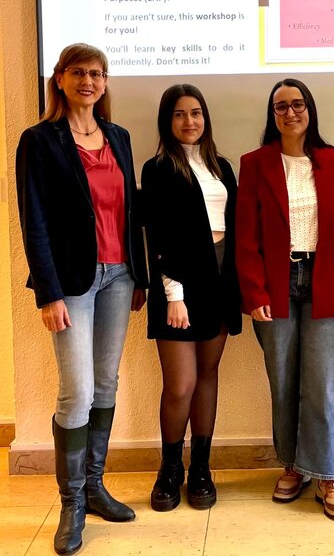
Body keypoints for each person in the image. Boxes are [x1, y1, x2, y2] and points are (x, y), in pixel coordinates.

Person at [15, 43, 147, 555]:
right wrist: (48, 293)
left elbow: (129, 209)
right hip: (71, 283)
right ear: (60, 78)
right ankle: (70, 502)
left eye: (97, 73)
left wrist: (137, 276)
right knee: (77, 390)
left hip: (118, 277)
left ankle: (94, 487)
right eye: (78, 73)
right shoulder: (39, 140)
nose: (88, 81)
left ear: (106, 82)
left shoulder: (119, 136)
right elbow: (36, 221)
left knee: (107, 381)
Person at [236, 78, 334, 521]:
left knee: (323, 382)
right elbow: (245, 234)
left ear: (310, 109)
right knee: (284, 380)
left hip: (325, 279)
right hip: (274, 283)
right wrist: (254, 292)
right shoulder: (254, 164)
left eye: (298, 104)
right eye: (281, 106)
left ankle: (327, 473)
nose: (290, 112)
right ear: (272, 115)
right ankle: (292, 466)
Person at [142, 84, 242, 512]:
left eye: (196, 113)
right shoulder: (158, 168)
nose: (189, 122)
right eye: (180, 114)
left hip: (220, 282)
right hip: (178, 288)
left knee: (207, 376)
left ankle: (201, 469)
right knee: (179, 384)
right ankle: (170, 470)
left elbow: (234, 230)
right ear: (168, 121)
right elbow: (159, 235)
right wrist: (173, 294)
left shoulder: (222, 167)